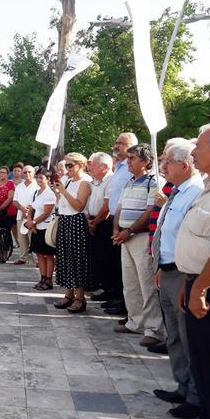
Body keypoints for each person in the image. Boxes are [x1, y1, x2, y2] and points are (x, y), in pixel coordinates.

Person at [151, 141, 203, 419]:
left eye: (167, 162)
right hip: (167, 269)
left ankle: (195, 396)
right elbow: (169, 233)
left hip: (183, 274)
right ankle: (182, 387)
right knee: (174, 336)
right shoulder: (178, 190)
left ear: (184, 165)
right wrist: (160, 264)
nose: (163, 167)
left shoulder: (197, 191)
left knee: (186, 336)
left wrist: (185, 278)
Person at [174, 123, 210, 419]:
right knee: (201, 357)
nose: (195, 152)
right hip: (194, 282)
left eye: (199, 147)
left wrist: (199, 287)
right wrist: (188, 284)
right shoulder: (208, 189)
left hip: (208, 288)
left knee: (209, 356)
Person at [112, 143, 165, 347]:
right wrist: (116, 230)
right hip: (125, 238)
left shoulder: (154, 182)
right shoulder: (129, 182)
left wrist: (130, 230)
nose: (128, 162)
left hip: (140, 237)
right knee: (130, 283)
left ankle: (153, 328)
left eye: (132, 158)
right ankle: (135, 321)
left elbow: (151, 210)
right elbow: (120, 208)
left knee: (146, 284)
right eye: (128, 158)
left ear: (145, 161)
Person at [97, 132, 138, 316]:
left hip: (128, 223)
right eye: (116, 142)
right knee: (113, 262)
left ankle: (123, 302)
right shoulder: (120, 168)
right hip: (114, 219)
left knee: (123, 267)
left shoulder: (130, 169)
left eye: (121, 143)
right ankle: (113, 295)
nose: (116, 145)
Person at [53, 153, 92, 313]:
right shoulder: (66, 180)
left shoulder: (85, 182)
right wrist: (59, 192)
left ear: (80, 165)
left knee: (78, 259)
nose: (67, 169)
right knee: (65, 258)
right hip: (64, 220)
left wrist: (64, 192)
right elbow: (60, 201)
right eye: (66, 165)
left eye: (70, 165)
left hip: (77, 221)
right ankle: (68, 294)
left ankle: (80, 297)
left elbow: (78, 206)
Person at [25, 168, 57, 290]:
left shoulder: (50, 194)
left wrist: (33, 222)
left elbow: (47, 213)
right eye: (37, 177)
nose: (38, 180)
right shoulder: (36, 192)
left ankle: (49, 280)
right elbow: (31, 208)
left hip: (46, 227)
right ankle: (42, 277)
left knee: (48, 255)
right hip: (36, 227)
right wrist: (29, 220)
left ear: (48, 180)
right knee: (39, 254)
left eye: (41, 178)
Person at [86, 153, 114, 292]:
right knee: (96, 255)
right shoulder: (95, 181)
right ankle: (98, 284)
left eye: (94, 165)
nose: (90, 168)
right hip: (93, 220)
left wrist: (95, 222)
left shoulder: (110, 181)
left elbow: (106, 207)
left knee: (105, 257)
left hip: (104, 222)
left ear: (104, 167)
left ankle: (107, 288)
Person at [12, 165, 37, 265]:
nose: (27, 174)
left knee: (33, 238)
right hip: (20, 215)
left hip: (34, 216)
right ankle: (23, 258)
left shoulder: (37, 185)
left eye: (29, 172)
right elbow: (15, 201)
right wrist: (22, 209)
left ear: (33, 173)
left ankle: (37, 259)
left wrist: (29, 210)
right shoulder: (19, 186)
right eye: (25, 172)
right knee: (22, 237)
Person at [0, 166, 16, 246]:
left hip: (7, 211)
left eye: (4, 173)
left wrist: (0, 208)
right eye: (0, 172)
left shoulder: (10, 184)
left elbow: (10, 198)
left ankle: (5, 251)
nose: (1, 174)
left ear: (7, 174)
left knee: (6, 231)